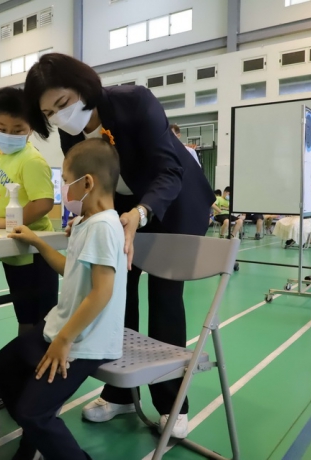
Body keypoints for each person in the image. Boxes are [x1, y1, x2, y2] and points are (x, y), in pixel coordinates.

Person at [24, 53, 215, 437]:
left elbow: (169, 169)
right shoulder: (68, 130)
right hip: (121, 209)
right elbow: (87, 177)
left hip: (171, 204)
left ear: (82, 87)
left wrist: (141, 214)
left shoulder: (135, 102)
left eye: (62, 104)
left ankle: (171, 402)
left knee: (164, 297)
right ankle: (120, 394)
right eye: (49, 114)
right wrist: (84, 214)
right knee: (115, 297)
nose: (60, 117)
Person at [0, 138, 127, 460]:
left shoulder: (105, 226)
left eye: (65, 182)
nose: (63, 191)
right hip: (60, 329)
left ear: (87, 183)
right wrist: (39, 243)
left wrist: (65, 340)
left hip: (83, 340)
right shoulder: (87, 222)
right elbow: (70, 271)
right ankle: (37, 441)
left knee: (33, 412)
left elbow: (102, 291)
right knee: (2, 368)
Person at [0, 87, 58, 336]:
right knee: (23, 313)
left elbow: (43, 203)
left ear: (31, 128)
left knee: (42, 320)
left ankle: (38, 362)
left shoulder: (31, 160)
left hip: (34, 251)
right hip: (11, 250)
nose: (9, 135)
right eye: (2, 129)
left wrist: (5, 222)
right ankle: (25, 358)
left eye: (18, 131)